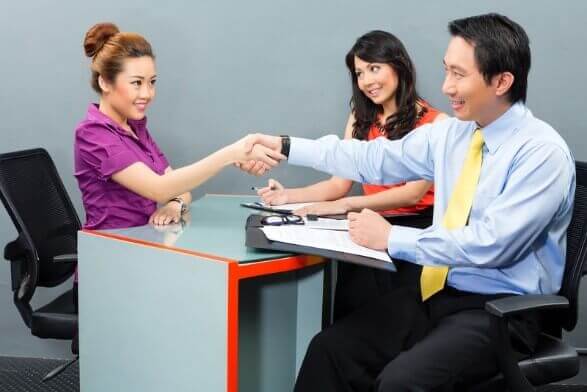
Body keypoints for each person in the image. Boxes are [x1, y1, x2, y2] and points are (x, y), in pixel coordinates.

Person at [246, 13, 575, 391]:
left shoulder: (541, 153)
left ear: (501, 81)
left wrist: (392, 238)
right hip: (440, 292)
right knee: (331, 350)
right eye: (446, 71)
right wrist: (286, 146)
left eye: (459, 74)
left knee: (400, 383)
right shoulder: (453, 133)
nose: (446, 86)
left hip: (501, 311)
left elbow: (492, 244)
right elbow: (373, 158)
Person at [257, 31, 447, 320]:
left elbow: (413, 193)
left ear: (399, 66)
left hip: (414, 230)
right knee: (350, 309)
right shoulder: (361, 118)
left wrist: (345, 206)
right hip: (365, 223)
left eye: (374, 68)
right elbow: (339, 183)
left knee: (394, 322)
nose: (367, 81)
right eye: (359, 73)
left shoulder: (437, 123)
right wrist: (288, 196)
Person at [74, 22, 283, 235]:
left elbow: (180, 190)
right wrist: (231, 154)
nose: (147, 93)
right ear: (105, 82)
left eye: (152, 82)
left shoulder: (135, 128)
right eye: (137, 83)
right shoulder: (93, 134)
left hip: (144, 243)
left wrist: (174, 205)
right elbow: (159, 188)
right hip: (109, 252)